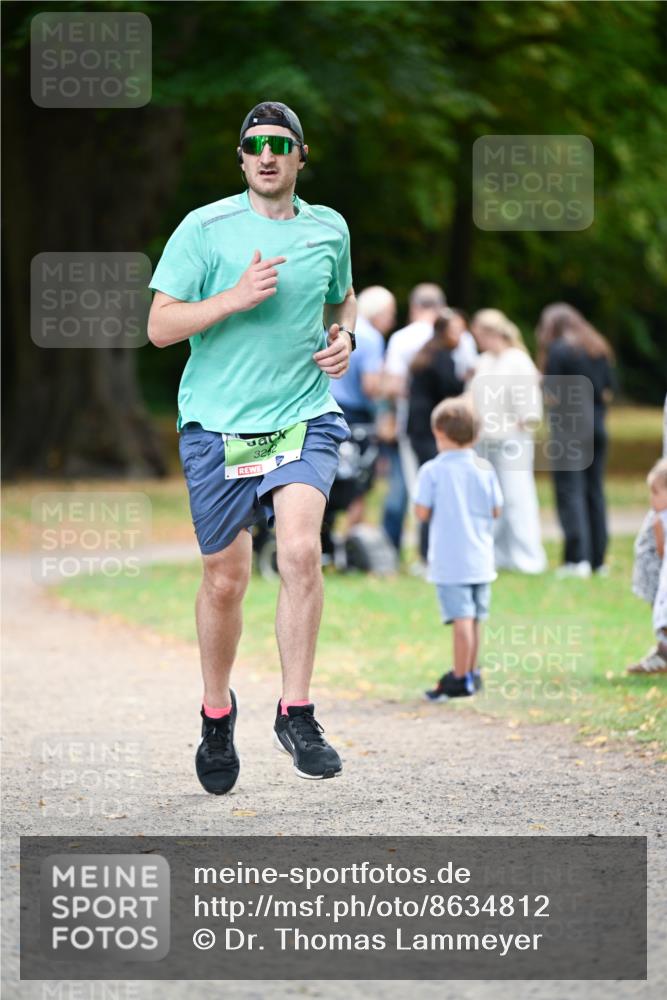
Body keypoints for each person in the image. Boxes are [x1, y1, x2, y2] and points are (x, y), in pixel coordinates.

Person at [147, 101, 356, 793]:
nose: (266, 155)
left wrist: (344, 337)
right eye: (254, 145)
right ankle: (216, 714)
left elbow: (342, 297)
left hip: (301, 415)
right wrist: (232, 299)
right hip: (217, 424)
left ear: (300, 157)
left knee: (299, 550)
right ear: (241, 159)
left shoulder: (329, 229)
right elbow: (160, 326)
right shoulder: (203, 229)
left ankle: (296, 712)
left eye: (280, 144)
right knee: (225, 579)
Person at [414, 398, 503, 701]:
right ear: (476, 435)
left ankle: (459, 676)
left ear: (439, 432)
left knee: (460, 619)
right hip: (481, 556)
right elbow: (496, 510)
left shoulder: (432, 471)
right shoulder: (484, 468)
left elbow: (422, 512)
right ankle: (473, 672)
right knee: (476, 617)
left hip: (451, 559)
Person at [536, 303, 615, 578]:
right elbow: (608, 391)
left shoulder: (559, 350)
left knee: (570, 491)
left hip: (569, 430)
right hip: (597, 427)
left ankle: (576, 558)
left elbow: (553, 393)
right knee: (594, 491)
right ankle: (598, 559)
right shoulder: (598, 349)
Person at [470, 309, 547, 574]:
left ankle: (529, 557)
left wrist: (518, 426)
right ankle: (499, 554)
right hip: (485, 440)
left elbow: (529, 406)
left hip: (513, 439)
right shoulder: (483, 361)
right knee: (492, 499)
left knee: (517, 496)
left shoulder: (518, 360)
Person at [330, 285, 396, 526]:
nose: (391, 321)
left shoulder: (340, 330)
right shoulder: (371, 338)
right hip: (356, 417)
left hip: (329, 409)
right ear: (378, 311)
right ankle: (351, 542)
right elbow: (370, 386)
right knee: (359, 482)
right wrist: (389, 390)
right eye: (390, 314)